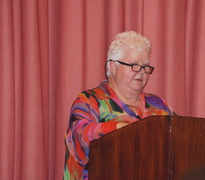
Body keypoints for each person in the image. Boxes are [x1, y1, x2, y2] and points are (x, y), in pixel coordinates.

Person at [63, 31, 172, 180]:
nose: (141, 72)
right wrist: (117, 129)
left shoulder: (159, 106)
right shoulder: (89, 101)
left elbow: (180, 138)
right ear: (113, 66)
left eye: (145, 66)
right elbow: (79, 139)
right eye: (134, 65)